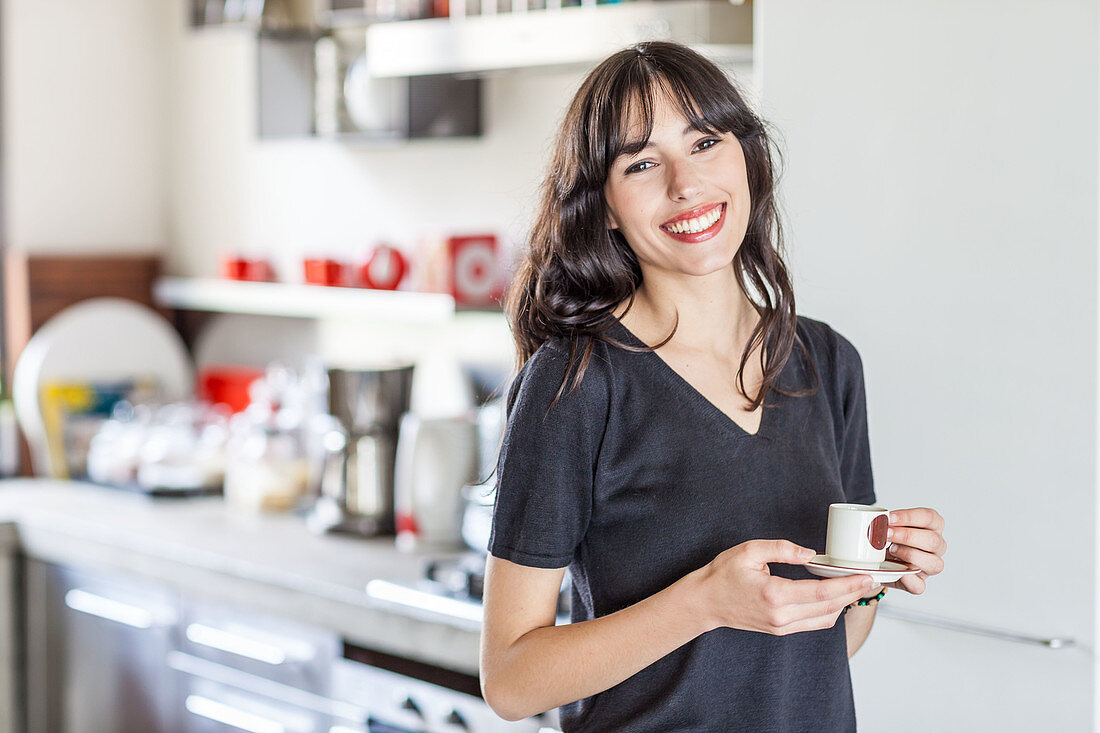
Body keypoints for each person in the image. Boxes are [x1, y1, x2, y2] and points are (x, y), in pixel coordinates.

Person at [479, 41, 947, 732]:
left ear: (745, 157)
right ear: (604, 207)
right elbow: (511, 680)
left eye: (704, 142)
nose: (685, 183)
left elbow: (834, 641)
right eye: (641, 163)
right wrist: (703, 601)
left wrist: (875, 579)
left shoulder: (829, 364)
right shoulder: (576, 381)